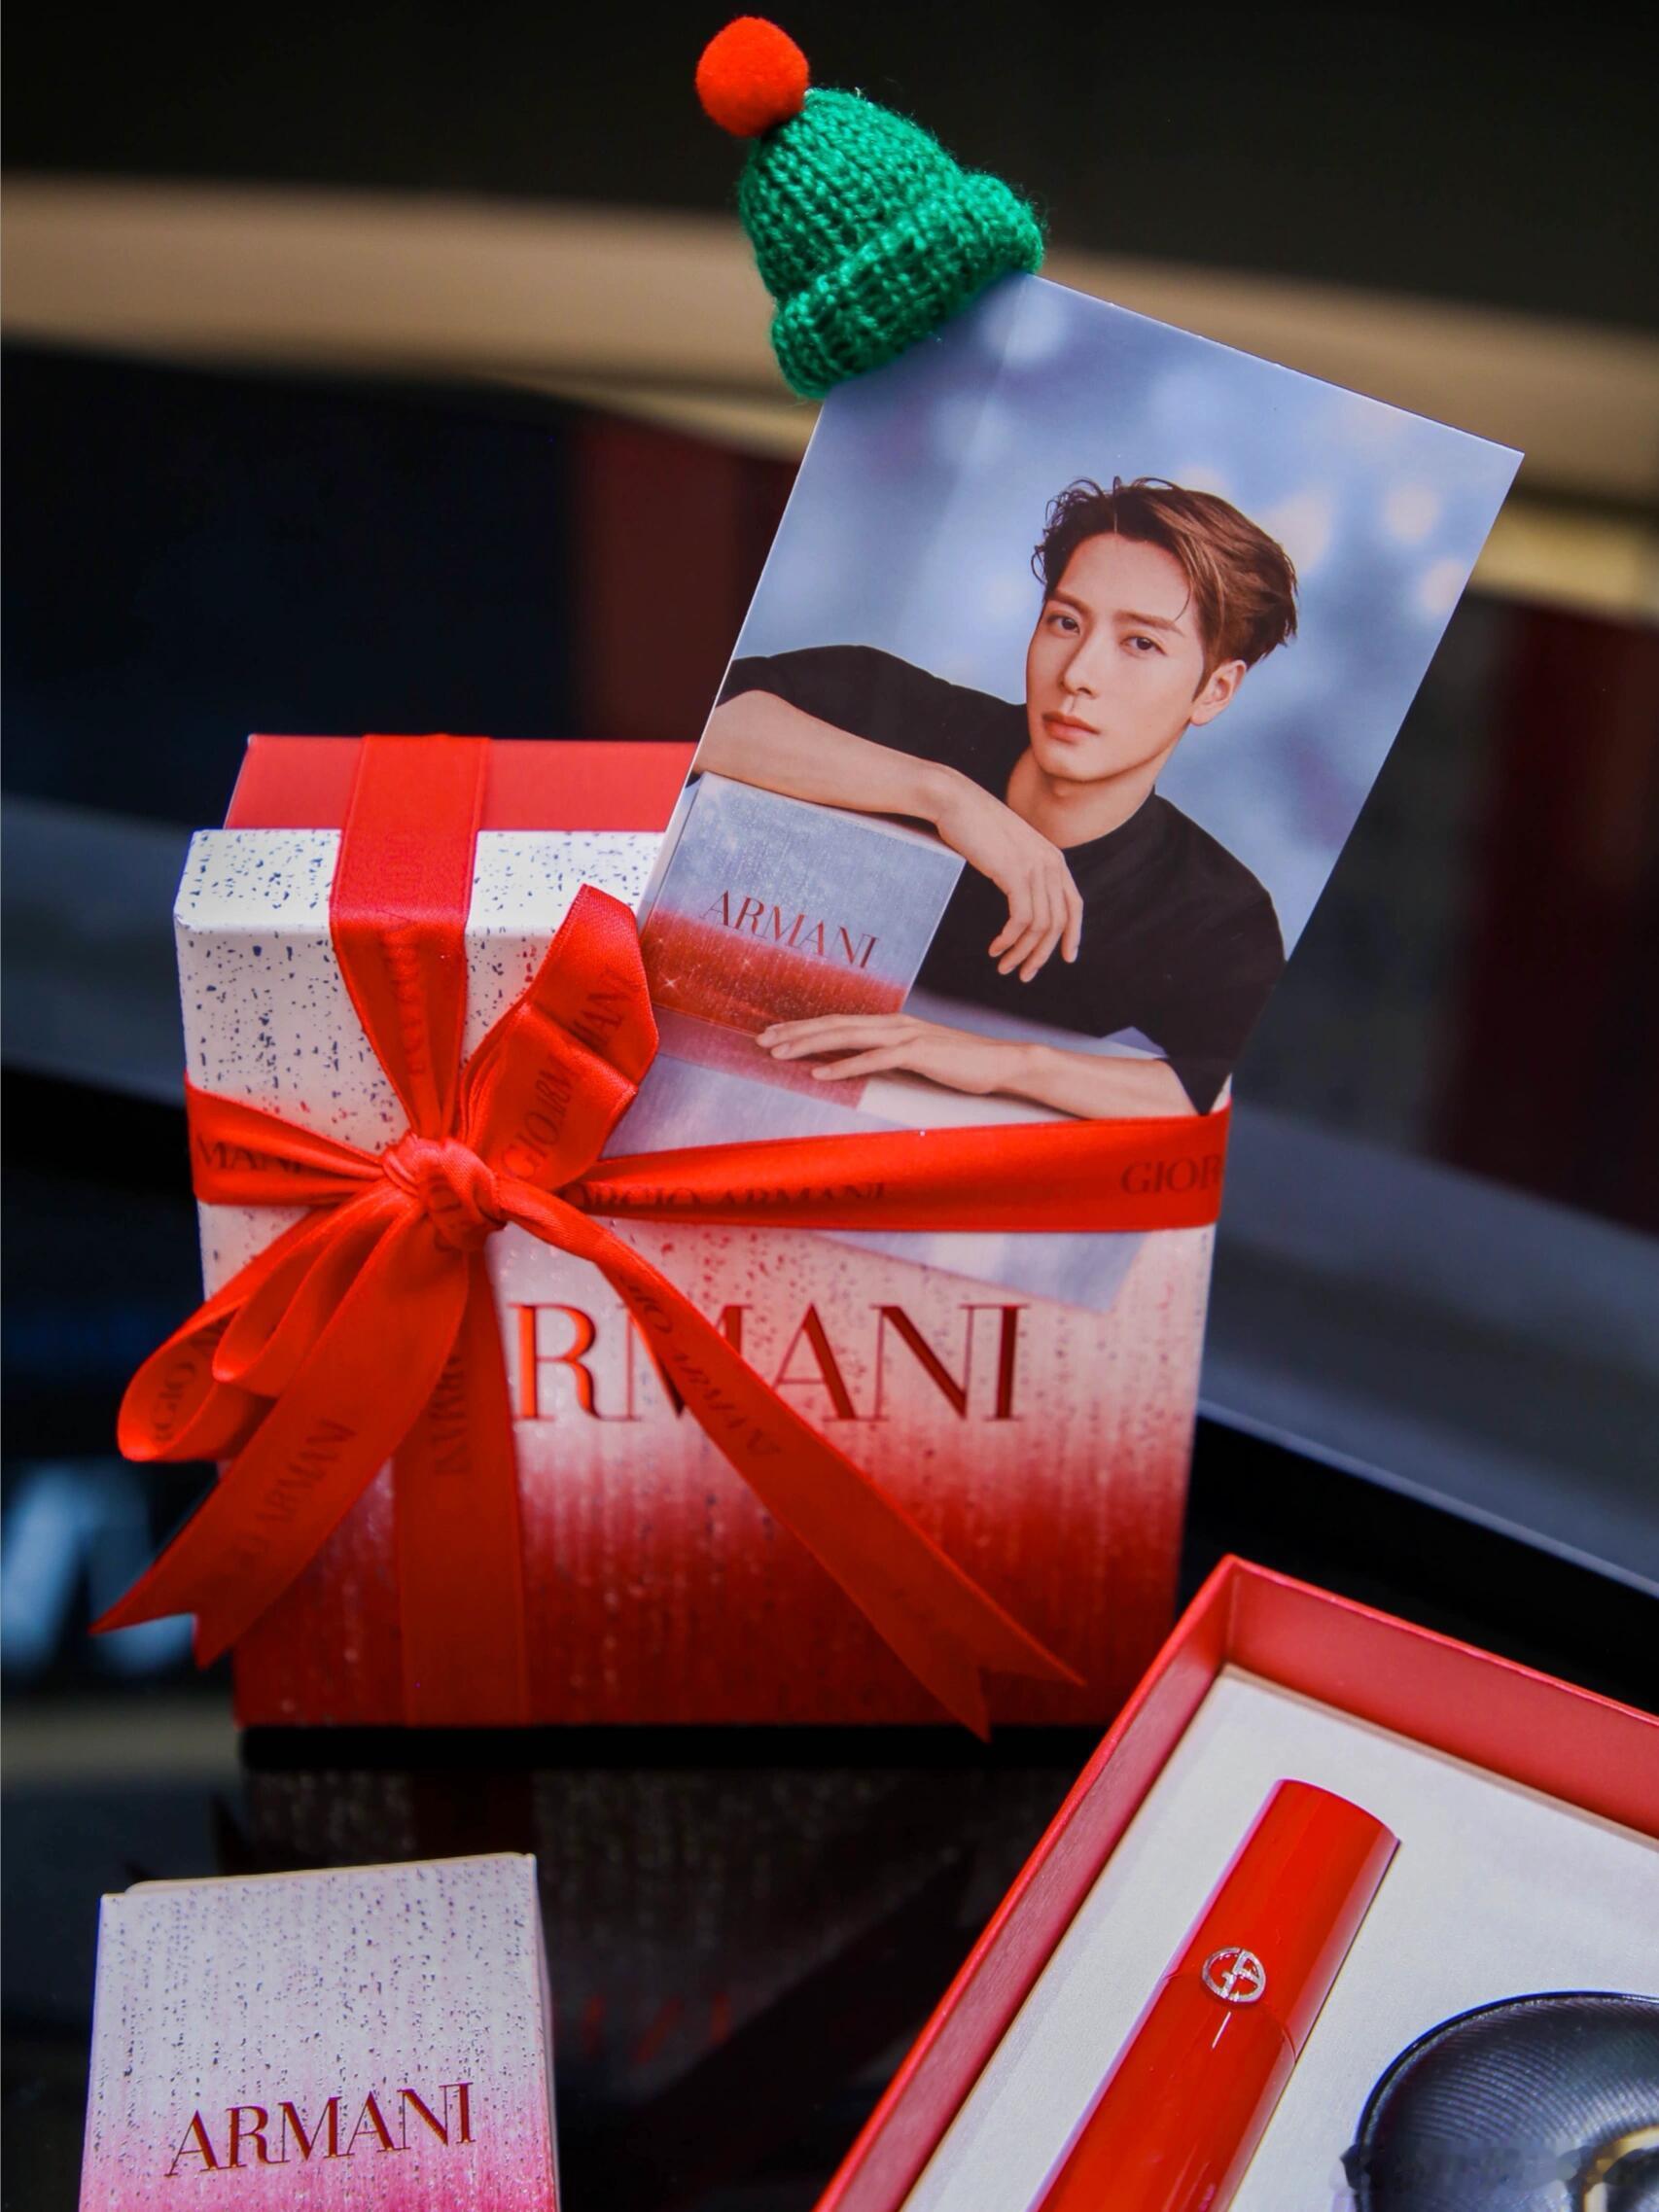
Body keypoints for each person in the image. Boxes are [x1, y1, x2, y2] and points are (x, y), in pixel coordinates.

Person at [696, 476, 1297, 1119]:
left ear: (1214, 691)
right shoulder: (907, 712)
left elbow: (1229, 1093)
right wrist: (944, 797)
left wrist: (1008, 1064)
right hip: (725, 1070)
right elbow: (705, 721)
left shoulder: (1214, 909)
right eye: (1065, 622)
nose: (1079, 673)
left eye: (1141, 643)